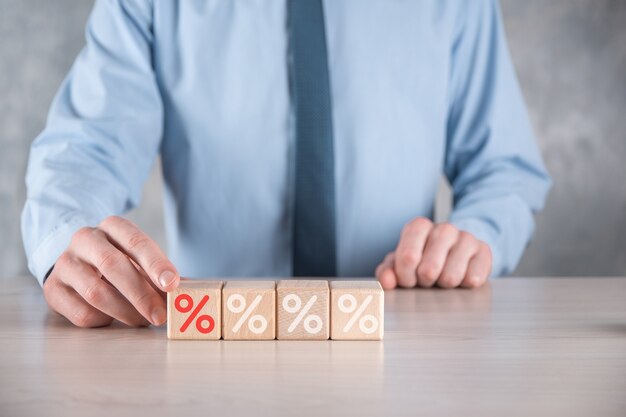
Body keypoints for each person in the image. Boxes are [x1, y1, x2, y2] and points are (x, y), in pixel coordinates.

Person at [22, 0, 551, 328]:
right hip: (216, 350)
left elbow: (502, 170)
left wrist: (472, 237)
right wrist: (69, 239)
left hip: (404, 346)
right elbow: (87, 147)